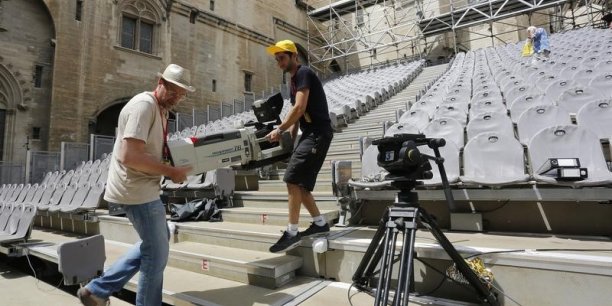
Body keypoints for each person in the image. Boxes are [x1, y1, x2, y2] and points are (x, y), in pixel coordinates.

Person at [76, 64, 194, 306]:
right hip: (136, 192)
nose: (177, 98)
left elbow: (146, 151)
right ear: (160, 83)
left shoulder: (160, 109)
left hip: (143, 188)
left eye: (181, 94)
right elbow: (130, 156)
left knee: (154, 244)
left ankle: (96, 291)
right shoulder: (144, 105)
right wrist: (171, 171)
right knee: (156, 255)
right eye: (173, 91)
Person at [265, 40, 333, 253]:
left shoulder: (303, 73)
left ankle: (292, 232)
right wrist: (291, 144)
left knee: (292, 179)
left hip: (318, 133)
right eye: (277, 60)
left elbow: (299, 107)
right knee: (299, 184)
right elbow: (298, 115)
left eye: (282, 58)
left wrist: (280, 129)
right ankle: (320, 223)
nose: (279, 63)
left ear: (294, 56)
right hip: (310, 134)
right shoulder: (293, 80)